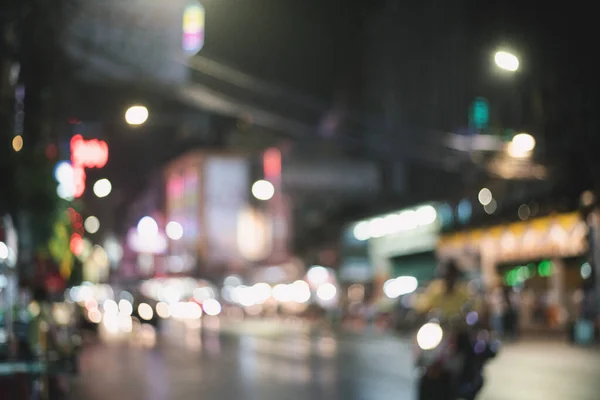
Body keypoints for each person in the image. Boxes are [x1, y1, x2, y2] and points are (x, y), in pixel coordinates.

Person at [415, 260, 482, 319]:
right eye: (447, 276)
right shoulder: (435, 289)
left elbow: (474, 305)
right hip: (439, 326)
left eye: (452, 276)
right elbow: (423, 305)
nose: (450, 279)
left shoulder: (463, 291)